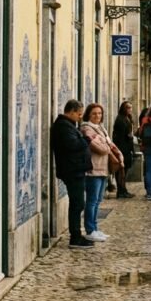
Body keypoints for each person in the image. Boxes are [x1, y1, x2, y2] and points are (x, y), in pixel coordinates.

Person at [51, 99, 94, 249]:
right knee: (77, 204)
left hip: (75, 169)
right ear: (71, 112)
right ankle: (75, 237)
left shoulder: (68, 125)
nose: (80, 117)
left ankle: (77, 235)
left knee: (78, 203)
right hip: (72, 170)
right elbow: (72, 145)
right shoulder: (63, 127)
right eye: (79, 114)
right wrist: (86, 139)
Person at [80, 103, 121, 242]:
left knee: (97, 201)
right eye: (94, 113)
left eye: (99, 113)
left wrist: (111, 149)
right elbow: (100, 148)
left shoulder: (101, 128)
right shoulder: (86, 129)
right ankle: (90, 230)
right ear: (88, 115)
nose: (97, 116)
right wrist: (107, 147)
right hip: (93, 169)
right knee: (91, 201)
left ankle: (95, 228)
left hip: (103, 169)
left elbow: (109, 144)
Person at [111, 101, 136, 199]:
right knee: (121, 171)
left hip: (127, 148)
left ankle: (123, 190)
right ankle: (121, 191)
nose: (130, 109)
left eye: (130, 107)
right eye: (128, 107)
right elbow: (120, 137)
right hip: (122, 148)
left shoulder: (127, 118)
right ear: (123, 108)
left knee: (124, 170)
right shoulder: (120, 120)